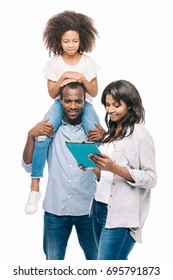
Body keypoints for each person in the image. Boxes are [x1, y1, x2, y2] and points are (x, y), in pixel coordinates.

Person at [25, 10, 101, 214]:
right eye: (66, 41)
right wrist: (64, 77)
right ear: (58, 41)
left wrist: (83, 79)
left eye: (74, 40)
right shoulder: (53, 64)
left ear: (82, 39)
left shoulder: (88, 62)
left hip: (85, 104)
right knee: (44, 134)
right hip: (61, 104)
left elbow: (94, 92)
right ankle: (34, 186)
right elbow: (52, 94)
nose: (70, 45)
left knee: (97, 132)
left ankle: (102, 180)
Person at [22, 82, 105, 260]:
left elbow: (109, 168)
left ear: (84, 102)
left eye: (78, 101)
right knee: (53, 262)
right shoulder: (51, 132)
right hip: (55, 210)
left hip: (88, 210)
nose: (73, 106)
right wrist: (30, 135)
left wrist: (106, 137)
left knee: (98, 261)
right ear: (60, 101)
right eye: (68, 101)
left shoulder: (93, 134)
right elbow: (28, 164)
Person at [87, 80, 157, 260]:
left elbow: (151, 179)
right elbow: (106, 175)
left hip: (121, 215)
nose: (110, 110)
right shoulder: (110, 133)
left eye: (116, 105)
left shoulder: (140, 134)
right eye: (108, 105)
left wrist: (114, 168)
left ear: (130, 105)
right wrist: (94, 167)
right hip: (98, 208)